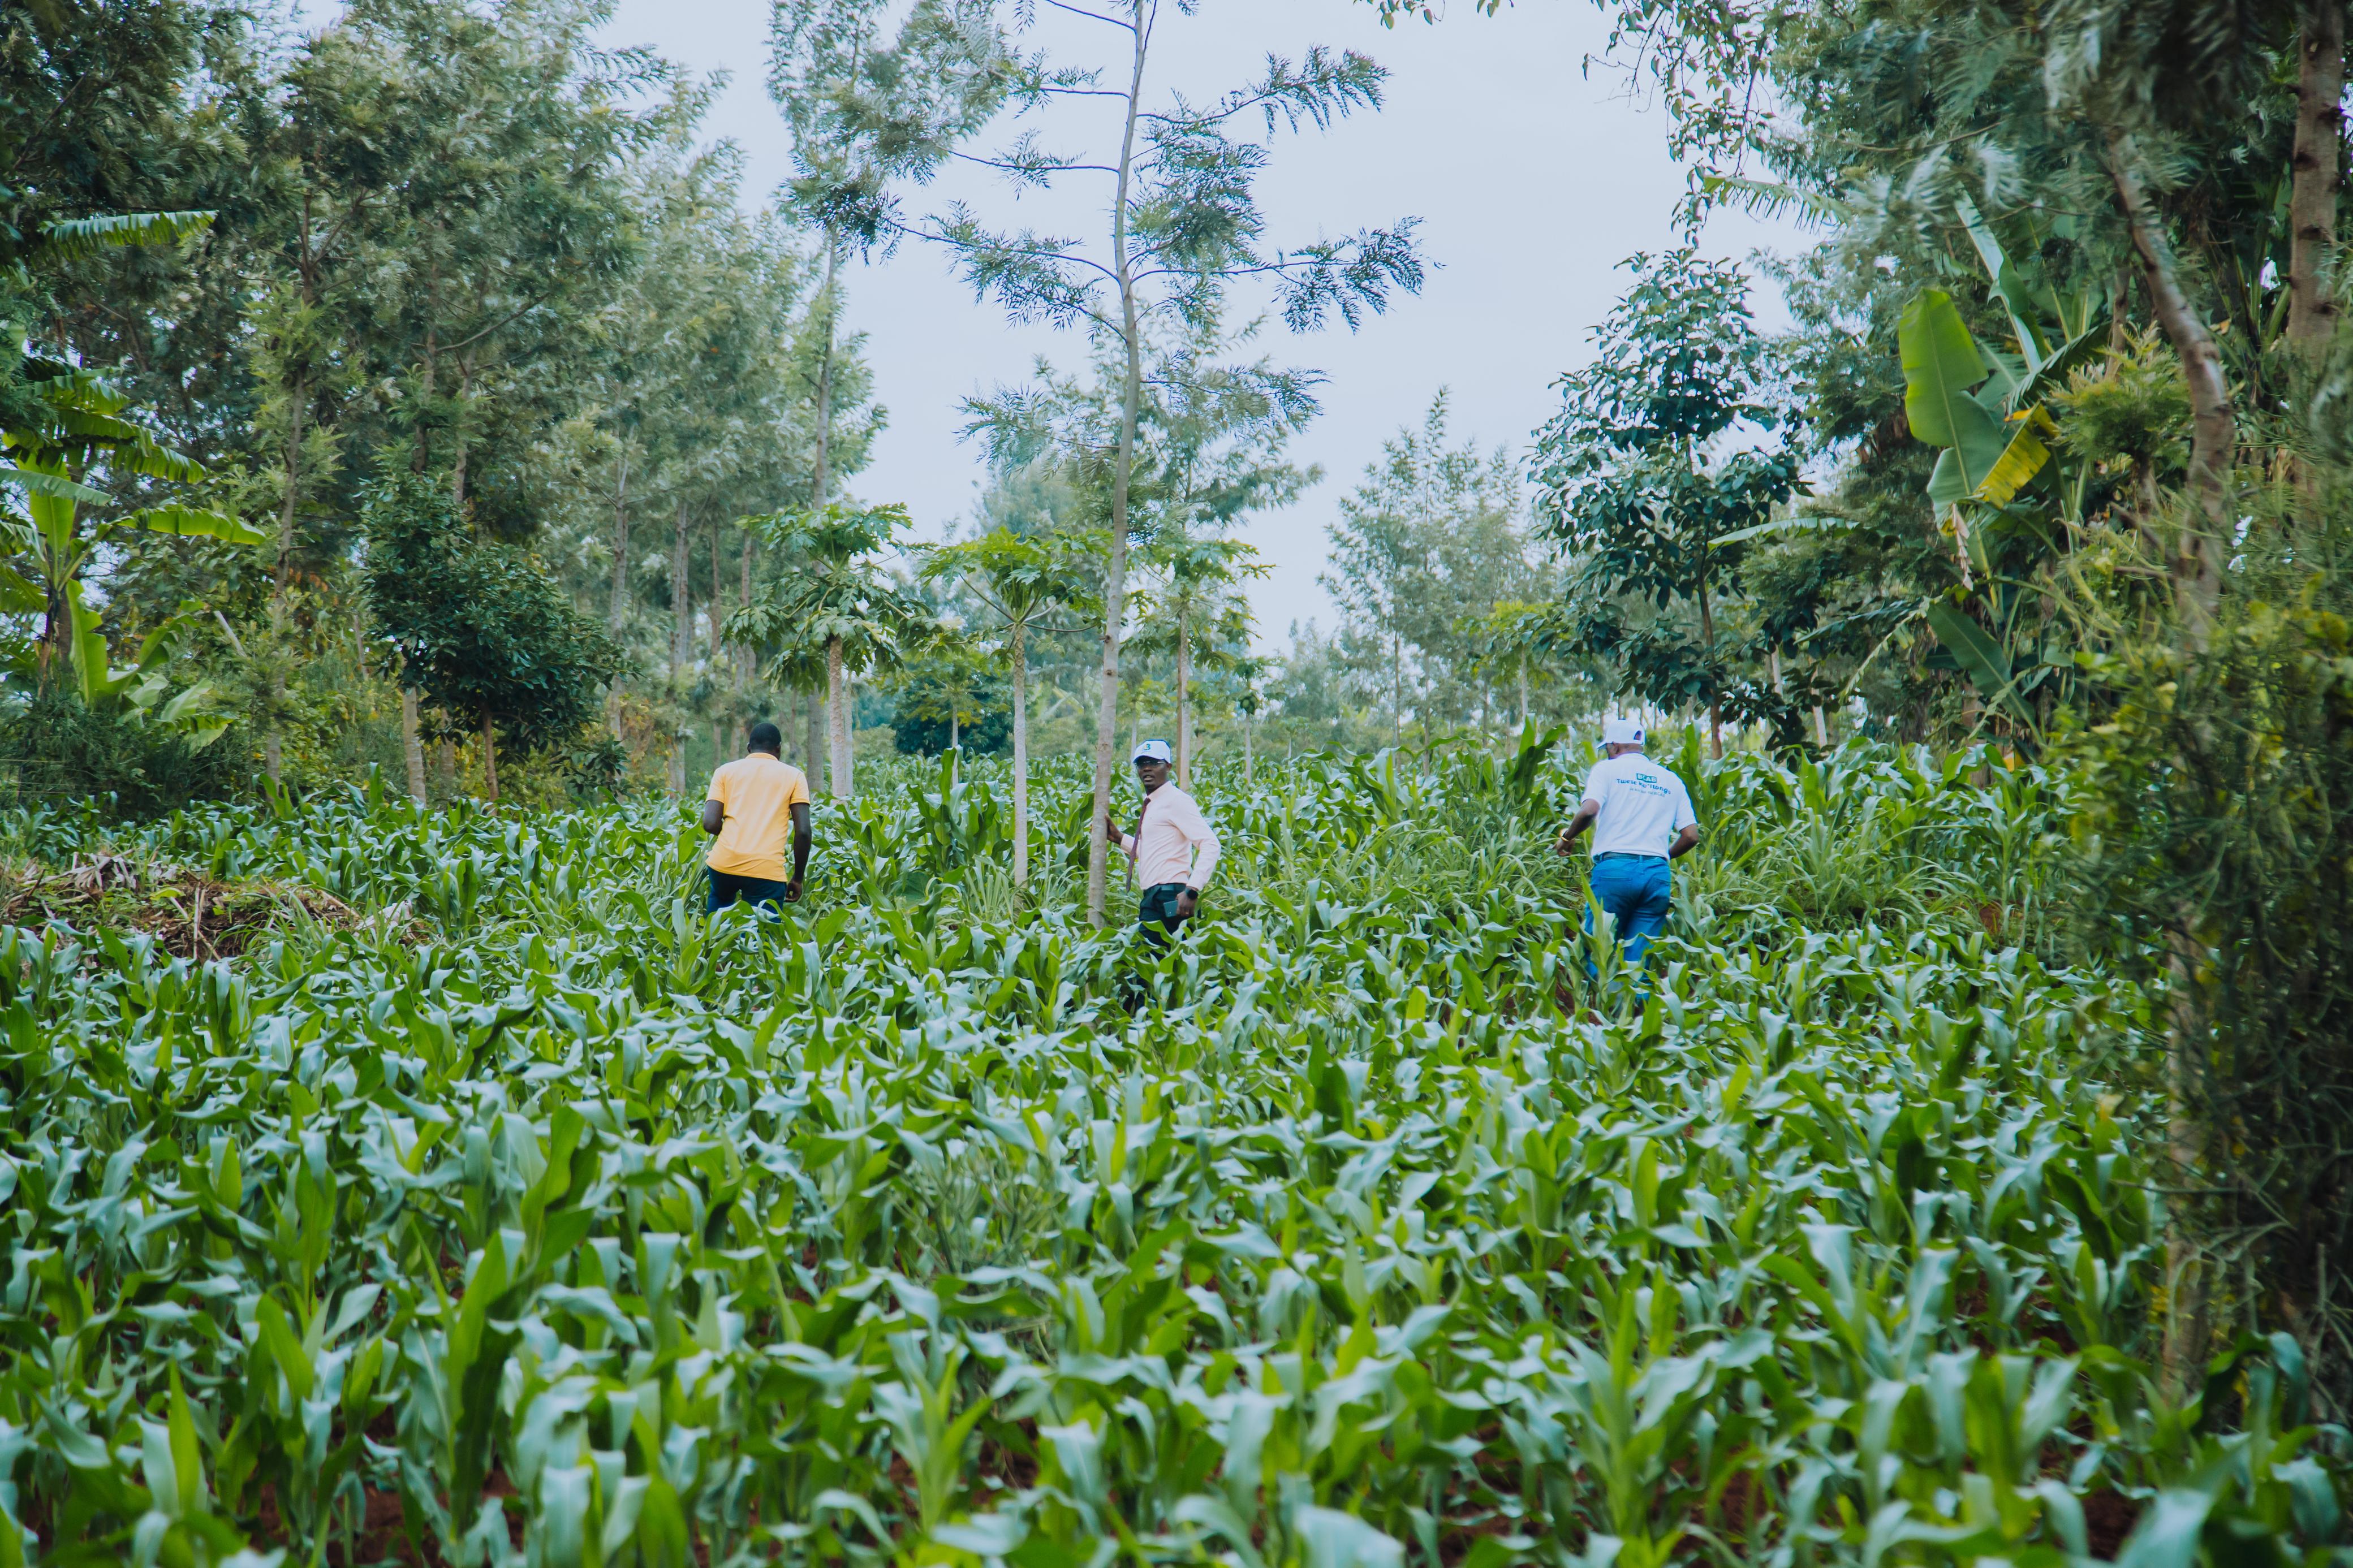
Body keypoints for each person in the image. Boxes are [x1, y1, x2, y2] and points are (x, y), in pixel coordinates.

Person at [1553, 716, 1699, 969]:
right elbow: (1691, 836)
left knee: (1598, 951)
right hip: (1657, 875)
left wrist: (1567, 838)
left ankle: (1597, 994)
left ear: (1615, 746)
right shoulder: (1672, 780)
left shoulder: (1607, 770)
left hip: (1615, 870)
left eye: (1608, 748)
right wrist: (1659, 856)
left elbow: (1589, 811)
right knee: (1638, 964)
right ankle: (1634, 995)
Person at [1105, 738, 1221, 938]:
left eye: (1154, 763)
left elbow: (1210, 844)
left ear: (1168, 766)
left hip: (1172, 896)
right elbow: (1155, 852)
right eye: (1142, 763)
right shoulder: (1153, 804)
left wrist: (1192, 890)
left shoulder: (1176, 800)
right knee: (1153, 955)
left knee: (1150, 954)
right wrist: (1120, 838)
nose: (1147, 768)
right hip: (1154, 898)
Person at [700, 720, 813, 914]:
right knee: (762, 930)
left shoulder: (725, 772)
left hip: (724, 865)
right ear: (779, 749)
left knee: (717, 924)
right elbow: (803, 832)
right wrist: (797, 878)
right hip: (766, 871)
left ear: (749, 748)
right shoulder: (794, 777)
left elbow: (710, 823)